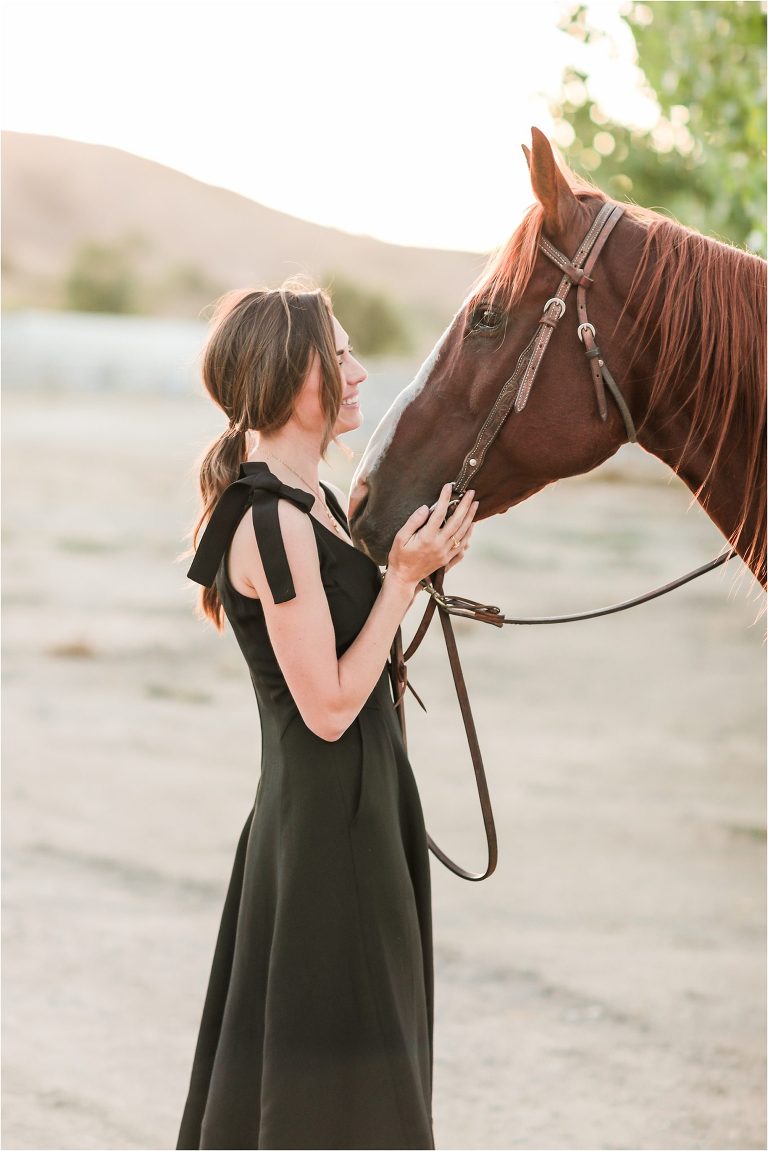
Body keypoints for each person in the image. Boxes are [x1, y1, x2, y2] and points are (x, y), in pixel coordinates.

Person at [176, 284, 478, 1151]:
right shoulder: (269, 522)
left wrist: (415, 562)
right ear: (286, 373)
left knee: (368, 1065)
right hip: (324, 832)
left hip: (359, 812)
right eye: (337, 354)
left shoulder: (317, 508)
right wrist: (402, 579)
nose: (357, 371)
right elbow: (332, 705)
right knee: (333, 1085)